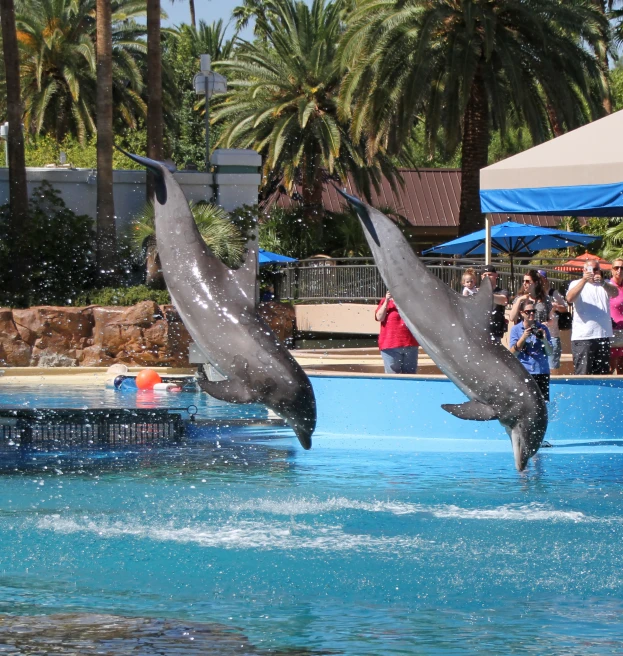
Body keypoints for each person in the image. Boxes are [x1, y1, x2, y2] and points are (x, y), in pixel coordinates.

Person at [566, 259, 618, 375]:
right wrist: (584, 280)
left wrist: (603, 283)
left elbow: (615, 293)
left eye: (596, 269)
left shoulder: (605, 284)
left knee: (602, 376)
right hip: (583, 337)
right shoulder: (575, 283)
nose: (593, 272)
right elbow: (569, 298)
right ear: (584, 270)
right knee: (582, 374)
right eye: (590, 269)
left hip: (603, 336)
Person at [509, 299, 554, 401]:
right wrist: (523, 338)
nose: (532, 314)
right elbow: (512, 354)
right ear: (521, 313)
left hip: (542, 372)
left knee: (544, 404)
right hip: (524, 373)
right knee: (525, 403)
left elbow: (550, 352)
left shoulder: (542, 328)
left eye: (533, 311)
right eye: (528, 312)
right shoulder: (516, 329)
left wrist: (544, 340)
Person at [375, 290, 419, 374]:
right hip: (390, 345)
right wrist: (387, 300)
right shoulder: (385, 301)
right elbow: (379, 317)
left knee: (411, 375)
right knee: (393, 375)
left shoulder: (411, 302)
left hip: (410, 344)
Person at [537, 269, 568, 374]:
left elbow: (565, 308)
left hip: (552, 335)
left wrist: (556, 306)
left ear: (545, 280)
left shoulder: (553, 293)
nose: (539, 282)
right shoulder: (532, 295)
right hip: (537, 336)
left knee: (552, 368)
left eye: (541, 279)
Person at [480, 265, 510, 343]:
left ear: (496, 275)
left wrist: (487, 294)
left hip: (495, 334)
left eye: (489, 275)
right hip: (479, 333)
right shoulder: (476, 292)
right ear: (481, 277)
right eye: (485, 275)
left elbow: (504, 300)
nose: (487, 277)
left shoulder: (502, 291)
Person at [609, 258, 623, 374]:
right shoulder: (607, 286)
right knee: (610, 367)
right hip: (612, 332)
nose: (619, 270)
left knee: (622, 369)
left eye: (622, 268)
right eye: (616, 268)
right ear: (612, 270)